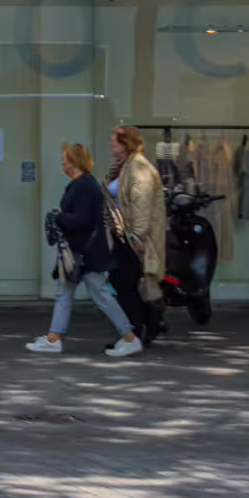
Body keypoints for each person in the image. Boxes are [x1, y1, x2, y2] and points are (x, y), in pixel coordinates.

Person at [28, 142, 141, 358]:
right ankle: (54, 338)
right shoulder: (84, 184)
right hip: (83, 253)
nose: (62, 162)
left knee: (100, 295)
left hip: (85, 254)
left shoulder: (83, 186)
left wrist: (58, 216)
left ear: (73, 161)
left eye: (65, 158)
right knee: (67, 292)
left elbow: (82, 220)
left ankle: (130, 337)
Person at [112, 125, 168, 343]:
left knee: (127, 283)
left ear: (125, 144)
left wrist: (136, 236)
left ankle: (137, 331)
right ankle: (147, 327)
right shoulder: (127, 165)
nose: (112, 146)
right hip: (126, 236)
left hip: (136, 238)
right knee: (133, 284)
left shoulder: (138, 168)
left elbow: (141, 205)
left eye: (114, 142)